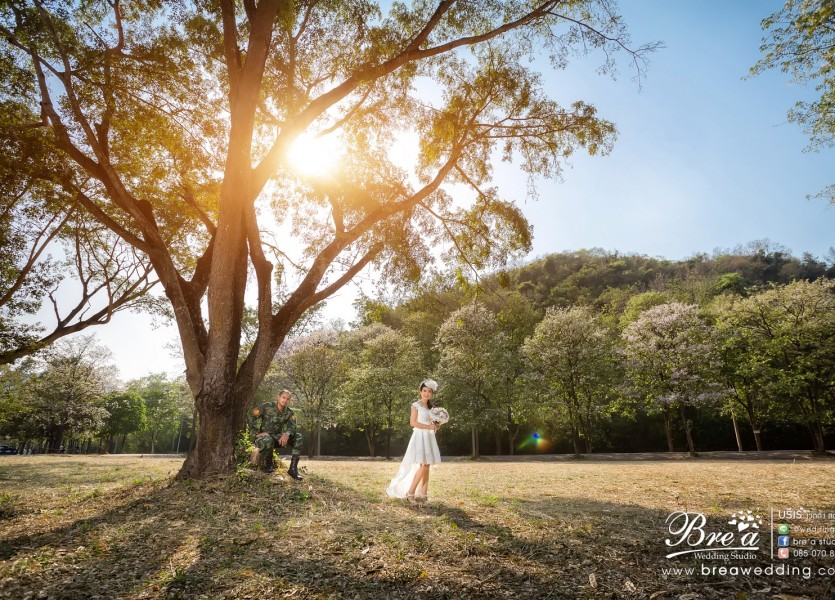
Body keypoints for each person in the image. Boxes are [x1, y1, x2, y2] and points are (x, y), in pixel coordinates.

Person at [386, 379, 442, 503]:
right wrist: (429, 427)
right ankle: (410, 492)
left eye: (429, 392)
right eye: (425, 391)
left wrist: (437, 425)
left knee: (427, 465)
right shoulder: (416, 405)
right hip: (419, 436)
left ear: (431, 394)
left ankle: (424, 494)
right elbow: (413, 423)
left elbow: (433, 423)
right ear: (420, 392)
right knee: (424, 464)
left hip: (429, 436)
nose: (427, 393)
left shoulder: (432, 408)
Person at [248, 389, 304, 480]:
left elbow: (292, 426)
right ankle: (268, 465)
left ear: (290, 401)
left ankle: (293, 469)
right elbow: (251, 415)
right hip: (264, 438)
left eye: (288, 399)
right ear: (278, 397)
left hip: (278, 438)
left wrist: (286, 434)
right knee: (267, 439)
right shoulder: (267, 406)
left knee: (299, 437)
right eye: (283, 397)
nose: (285, 400)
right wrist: (256, 434)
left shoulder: (289, 412)